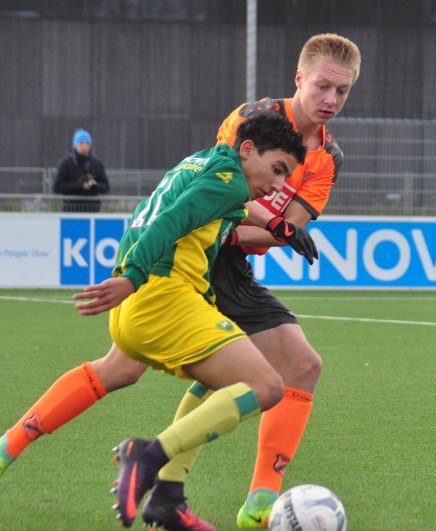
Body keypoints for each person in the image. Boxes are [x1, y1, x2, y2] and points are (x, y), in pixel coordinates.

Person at [0, 33, 360, 531]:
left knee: (139, 368)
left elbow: (280, 224)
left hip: (220, 257)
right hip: (196, 254)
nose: (331, 101)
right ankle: (204, 492)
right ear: (300, 79)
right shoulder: (251, 118)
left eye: (342, 92)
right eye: (323, 87)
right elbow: (217, 195)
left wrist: (277, 229)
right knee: (272, 373)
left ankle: (194, 494)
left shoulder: (327, 159)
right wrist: (269, 227)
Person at [80, 112, 311, 529]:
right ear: (246, 150)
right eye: (277, 169)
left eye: (286, 177)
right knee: (268, 386)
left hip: (143, 310)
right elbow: (174, 220)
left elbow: (205, 213)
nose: (279, 185)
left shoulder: (202, 163)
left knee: (213, 383)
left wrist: (282, 227)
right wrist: (130, 277)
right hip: (162, 300)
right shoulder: (230, 180)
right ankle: (148, 457)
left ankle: (168, 498)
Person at [53, 128, 110, 213]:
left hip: (92, 209)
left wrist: (94, 186)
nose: (84, 146)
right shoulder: (66, 163)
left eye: (87, 143)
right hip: (70, 209)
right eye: (81, 143)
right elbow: (57, 187)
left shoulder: (97, 164)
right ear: (75, 145)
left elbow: (106, 186)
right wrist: (77, 185)